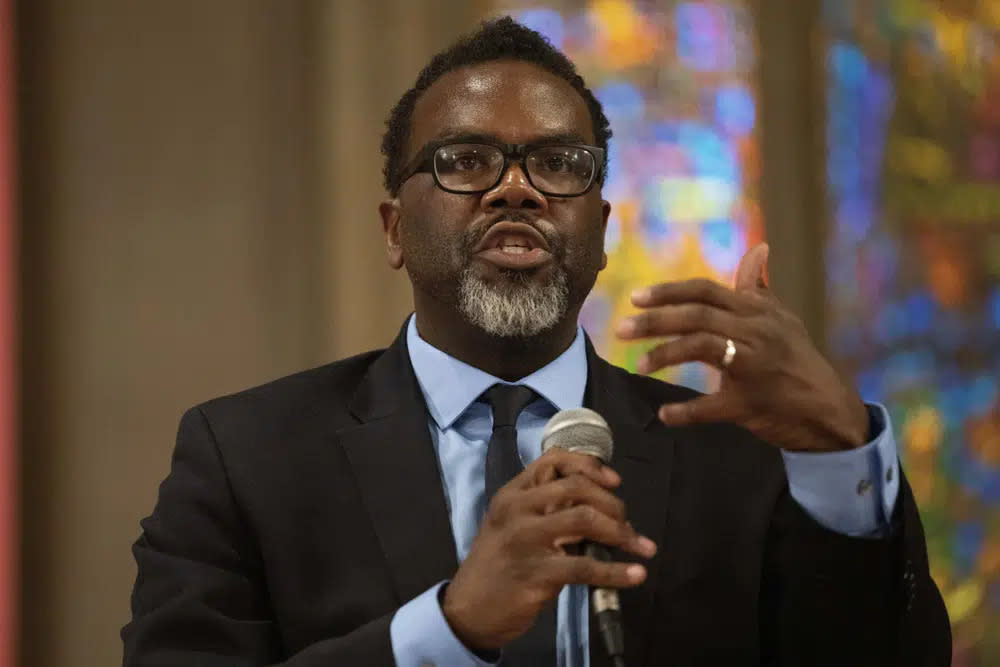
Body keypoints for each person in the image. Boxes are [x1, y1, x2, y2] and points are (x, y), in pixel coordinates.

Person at [122, 17, 951, 667]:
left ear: (600, 228)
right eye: (466, 159)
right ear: (394, 229)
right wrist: (450, 628)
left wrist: (842, 455)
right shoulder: (246, 457)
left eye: (558, 164)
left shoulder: (739, 459)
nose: (514, 187)